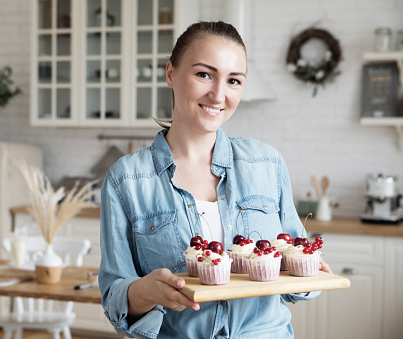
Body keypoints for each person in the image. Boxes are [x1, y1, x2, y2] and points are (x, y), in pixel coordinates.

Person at [98, 21, 331, 339]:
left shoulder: (266, 164)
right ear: (170, 73)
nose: (218, 94)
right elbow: (115, 298)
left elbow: (295, 274)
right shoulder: (126, 180)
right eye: (204, 74)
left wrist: (311, 274)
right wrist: (147, 291)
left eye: (234, 80)